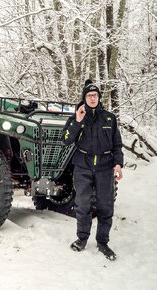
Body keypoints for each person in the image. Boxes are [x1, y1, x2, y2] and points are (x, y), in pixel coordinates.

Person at [62, 79, 123, 261]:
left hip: (105, 166)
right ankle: (82, 238)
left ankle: (103, 242)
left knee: (105, 206)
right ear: (84, 98)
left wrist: (118, 164)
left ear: (99, 97)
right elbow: (66, 140)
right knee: (83, 205)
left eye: (95, 95)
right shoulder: (77, 117)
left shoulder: (109, 118)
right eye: (89, 96)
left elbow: (117, 145)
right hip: (83, 165)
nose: (93, 98)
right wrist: (78, 121)